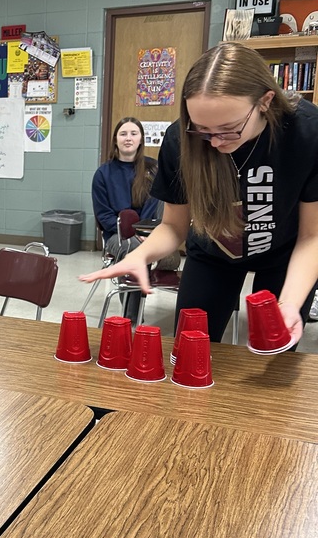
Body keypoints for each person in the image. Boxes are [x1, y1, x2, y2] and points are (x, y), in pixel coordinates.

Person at [81, 42, 318, 345]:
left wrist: (289, 305)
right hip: (212, 255)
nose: (215, 142)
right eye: (203, 130)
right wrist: (140, 255)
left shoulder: (305, 131)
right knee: (191, 348)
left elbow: (312, 236)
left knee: (276, 355)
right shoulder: (180, 139)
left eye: (229, 129)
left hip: (286, 256)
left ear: (265, 101)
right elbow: (173, 226)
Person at [91, 116, 177, 322]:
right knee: (133, 248)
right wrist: (133, 237)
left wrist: (146, 235)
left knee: (142, 244)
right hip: (116, 236)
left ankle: (132, 318)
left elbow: (157, 207)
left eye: (133, 133)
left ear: (140, 140)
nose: (128, 138)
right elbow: (104, 216)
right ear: (115, 140)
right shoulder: (103, 173)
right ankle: (132, 318)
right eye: (123, 134)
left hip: (149, 234)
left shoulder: (153, 168)